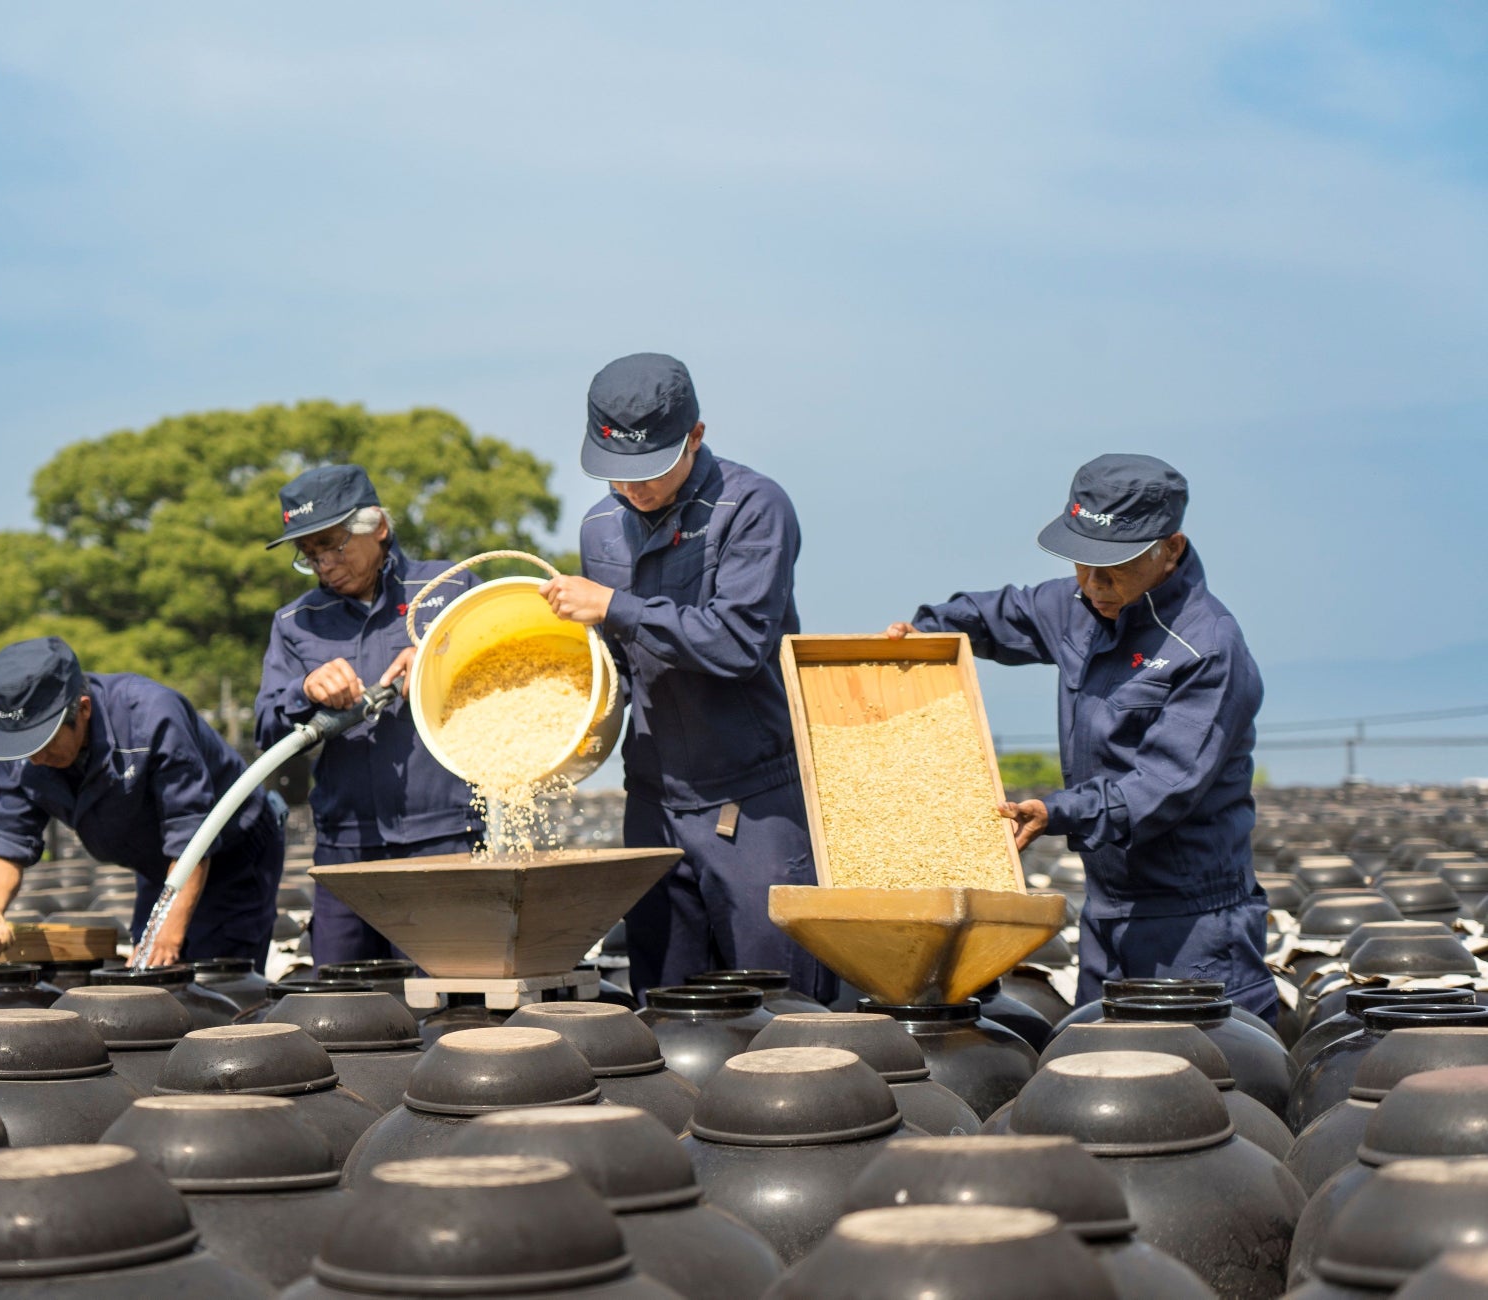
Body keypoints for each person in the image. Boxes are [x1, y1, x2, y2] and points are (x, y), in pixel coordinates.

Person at [887, 453, 1275, 1019]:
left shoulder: (1207, 647)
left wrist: (1056, 811)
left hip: (1193, 925)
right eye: (1081, 563)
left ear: (1171, 549)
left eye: (1114, 566)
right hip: (1106, 910)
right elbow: (1001, 615)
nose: (1094, 584)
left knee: (1198, 1082)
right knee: (1098, 1072)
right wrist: (924, 630)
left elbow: (1161, 789)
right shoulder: (1080, 605)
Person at [539, 352, 832, 999]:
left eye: (649, 470)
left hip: (752, 798)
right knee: (665, 1008)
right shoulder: (599, 530)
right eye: (617, 473)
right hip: (651, 801)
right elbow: (616, 661)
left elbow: (736, 643)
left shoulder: (752, 508)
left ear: (696, 436)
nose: (632, 488)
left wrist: (614, 606)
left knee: (778, 1002)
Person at [255, 463, 480, 964]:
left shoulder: (448, 590)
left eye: (334, 545)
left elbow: (504, 676)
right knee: (342, 1001)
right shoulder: (295, 623)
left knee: (448, 996)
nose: (325, 565)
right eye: (309, 555)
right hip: (345, 849)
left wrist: (441, 660)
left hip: (445, 837)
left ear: (377, 526)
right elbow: (265, 730)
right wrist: (304, 689)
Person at [0, 635, 284, 969]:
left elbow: (191, 837)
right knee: (148, 971)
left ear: (84, 710)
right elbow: (9, 839)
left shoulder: (152, 718)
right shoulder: (20, 750)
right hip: (159, 863)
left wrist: (166, 938)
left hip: (231, 853)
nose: (34, 758)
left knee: (214, 977)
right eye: (24, 746)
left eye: (43, 743)